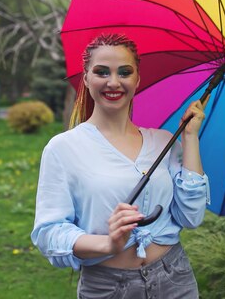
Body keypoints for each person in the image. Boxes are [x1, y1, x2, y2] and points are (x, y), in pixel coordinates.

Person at [31, 33, 210, 298]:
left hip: (175, 279)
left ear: (137, 80)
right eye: (102, 72)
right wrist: (107, 243)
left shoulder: (163, 141)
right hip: (108, 287)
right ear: (86, 78)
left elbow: (191, 216)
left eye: (124, 72)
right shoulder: (64, 149)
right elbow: (49, 233)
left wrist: (190, 137)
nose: (113, 82)